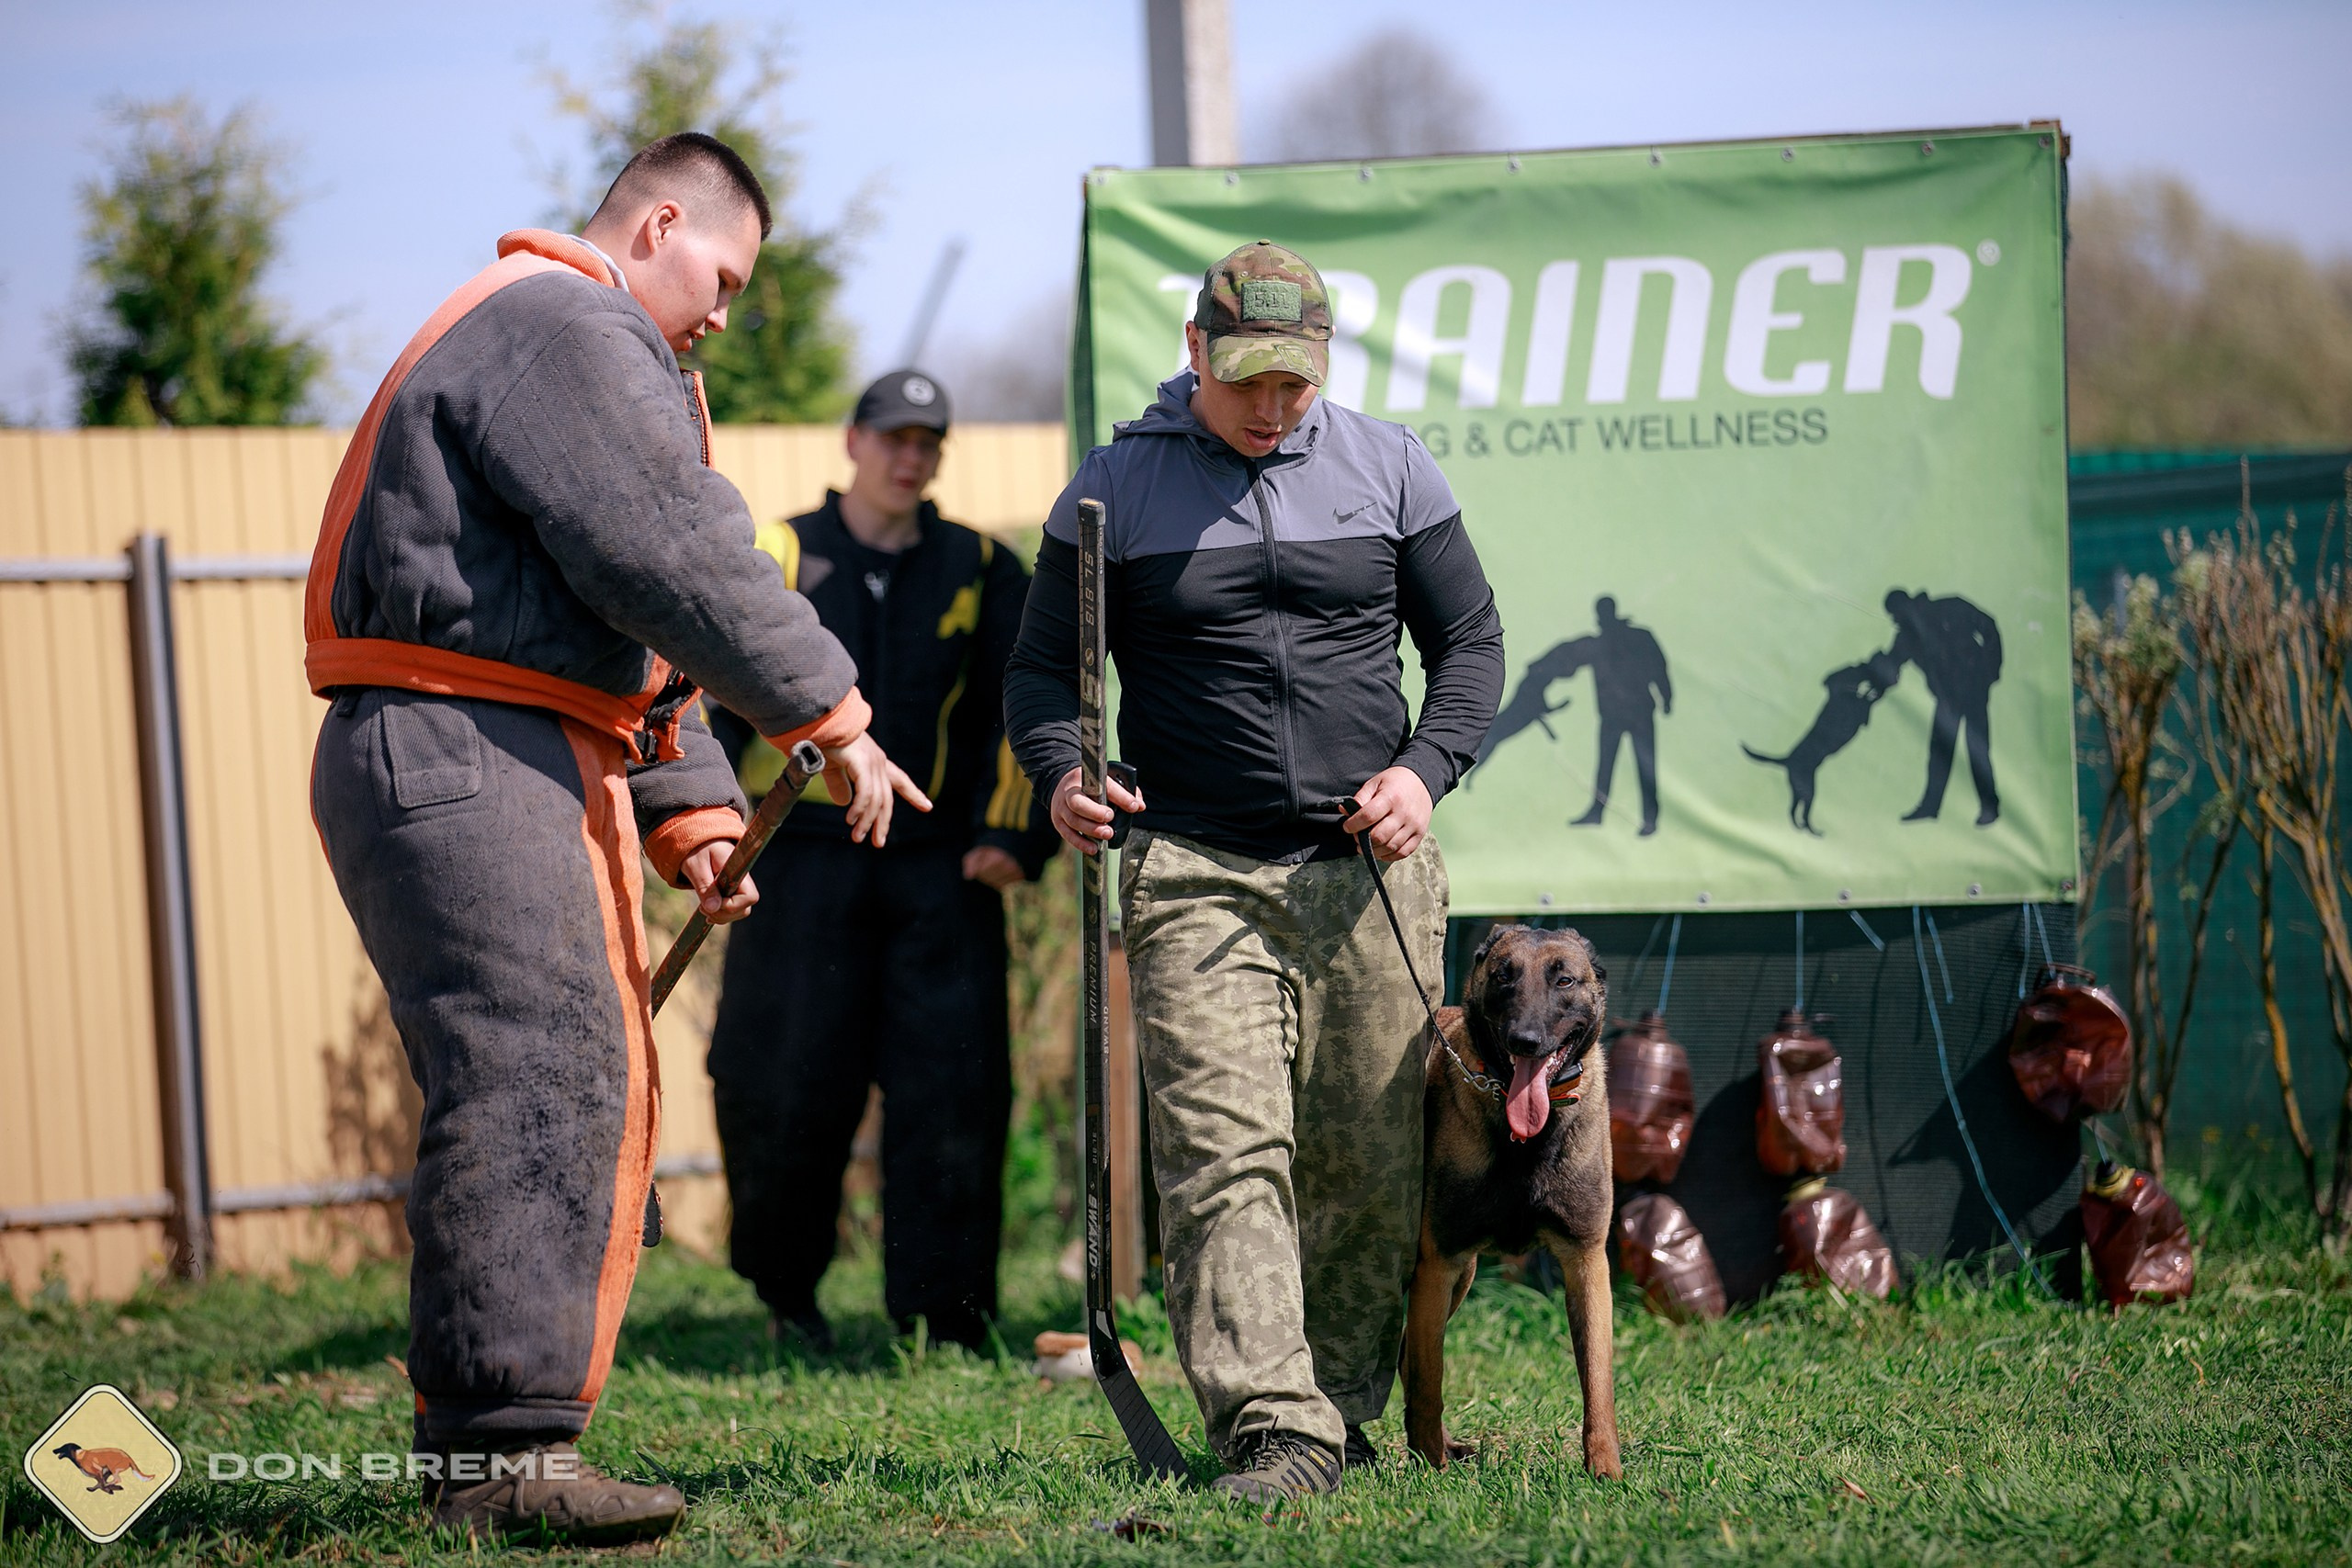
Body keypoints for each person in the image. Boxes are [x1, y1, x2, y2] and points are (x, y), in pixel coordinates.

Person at [305, 132, 929, 1545]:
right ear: (657, 225)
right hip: (466, 744)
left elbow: (622, 621)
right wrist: (833, 713)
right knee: (539, 1067)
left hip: (506, 738)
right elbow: (675, 554)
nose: (726, 311)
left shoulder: (561, 339)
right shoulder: (564, 323)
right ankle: (502, 1456)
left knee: (563, 1062)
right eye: (722, 274)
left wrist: (692, 805)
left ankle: (501, 1440)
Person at [1003, 241, 1506, 1503]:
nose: (1273, 406)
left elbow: (1473, 645)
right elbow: (1039, 675)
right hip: (1192, 867)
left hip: (1367, 874)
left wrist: (1423, 770)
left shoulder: (1389, 463)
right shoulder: (1116, 484)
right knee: (1226, 1152)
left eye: (1295, 381)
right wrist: (1066, 767)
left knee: (1366, 1154)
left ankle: (1338, 1411)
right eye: (1247, 381)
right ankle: (1274, 1428)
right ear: (1194, 353)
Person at [703, 369, 1057, 1355]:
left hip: (939, 871)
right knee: (779, 1084)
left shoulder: (985, 568)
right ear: (852, 443)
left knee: (954, 1092)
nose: (910, 457)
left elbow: (1020, 709)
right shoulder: (775, 553)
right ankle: (786, 1295)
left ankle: (943, 1317)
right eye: (892, 437)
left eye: (928, 442)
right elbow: (706, 703)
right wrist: (713, 829)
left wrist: (1012, 835)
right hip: (797, 868)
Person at [1867, 589, 2002, 825]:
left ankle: (1989, 807)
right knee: (1940, 751)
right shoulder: (1907, 637)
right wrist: (1870, 674)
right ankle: (1931, 806)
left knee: (1976, 748)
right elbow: (1891, 665)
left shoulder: (1950, 606)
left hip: (1973, 689)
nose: (1895, 619)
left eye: (1896, 613)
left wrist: (1991, 670)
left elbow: (1988, 626)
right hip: (1947, 697)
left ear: (1907, 605)